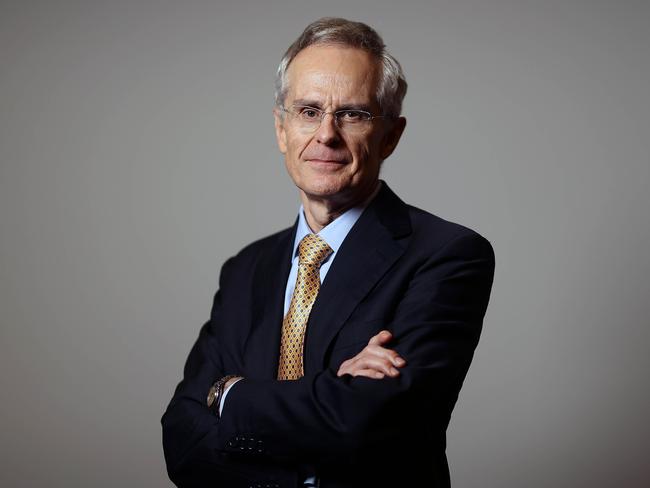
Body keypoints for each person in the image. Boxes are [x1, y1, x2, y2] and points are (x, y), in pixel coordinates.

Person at [162, 17, 495, 488]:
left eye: (353, 114)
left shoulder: (449, 256)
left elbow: (367, 426)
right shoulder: (245, 270)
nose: (327, 135)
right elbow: (181, 436)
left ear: (390, 137)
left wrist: (228, 394)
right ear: (282, 130)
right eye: (308, 111)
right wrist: (330, 393)